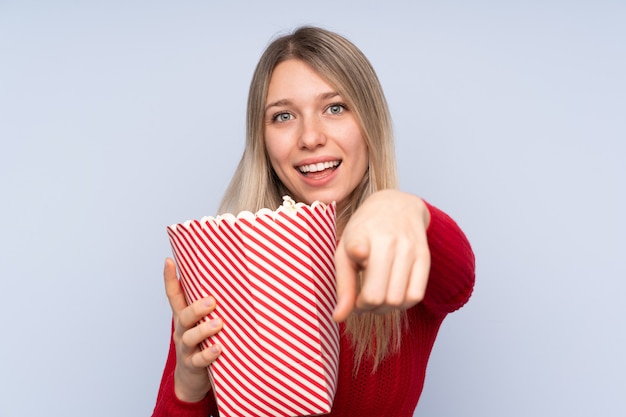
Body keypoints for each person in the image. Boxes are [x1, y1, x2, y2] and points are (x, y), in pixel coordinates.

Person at [152, 26, 475, 417]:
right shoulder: (220, 269)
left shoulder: (400, 249)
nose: (310, 137)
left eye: (335, 108)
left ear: (369, 121)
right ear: (263, 139)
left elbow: (459, 280)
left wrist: (405, 209)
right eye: (283, 116)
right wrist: (186, 389)